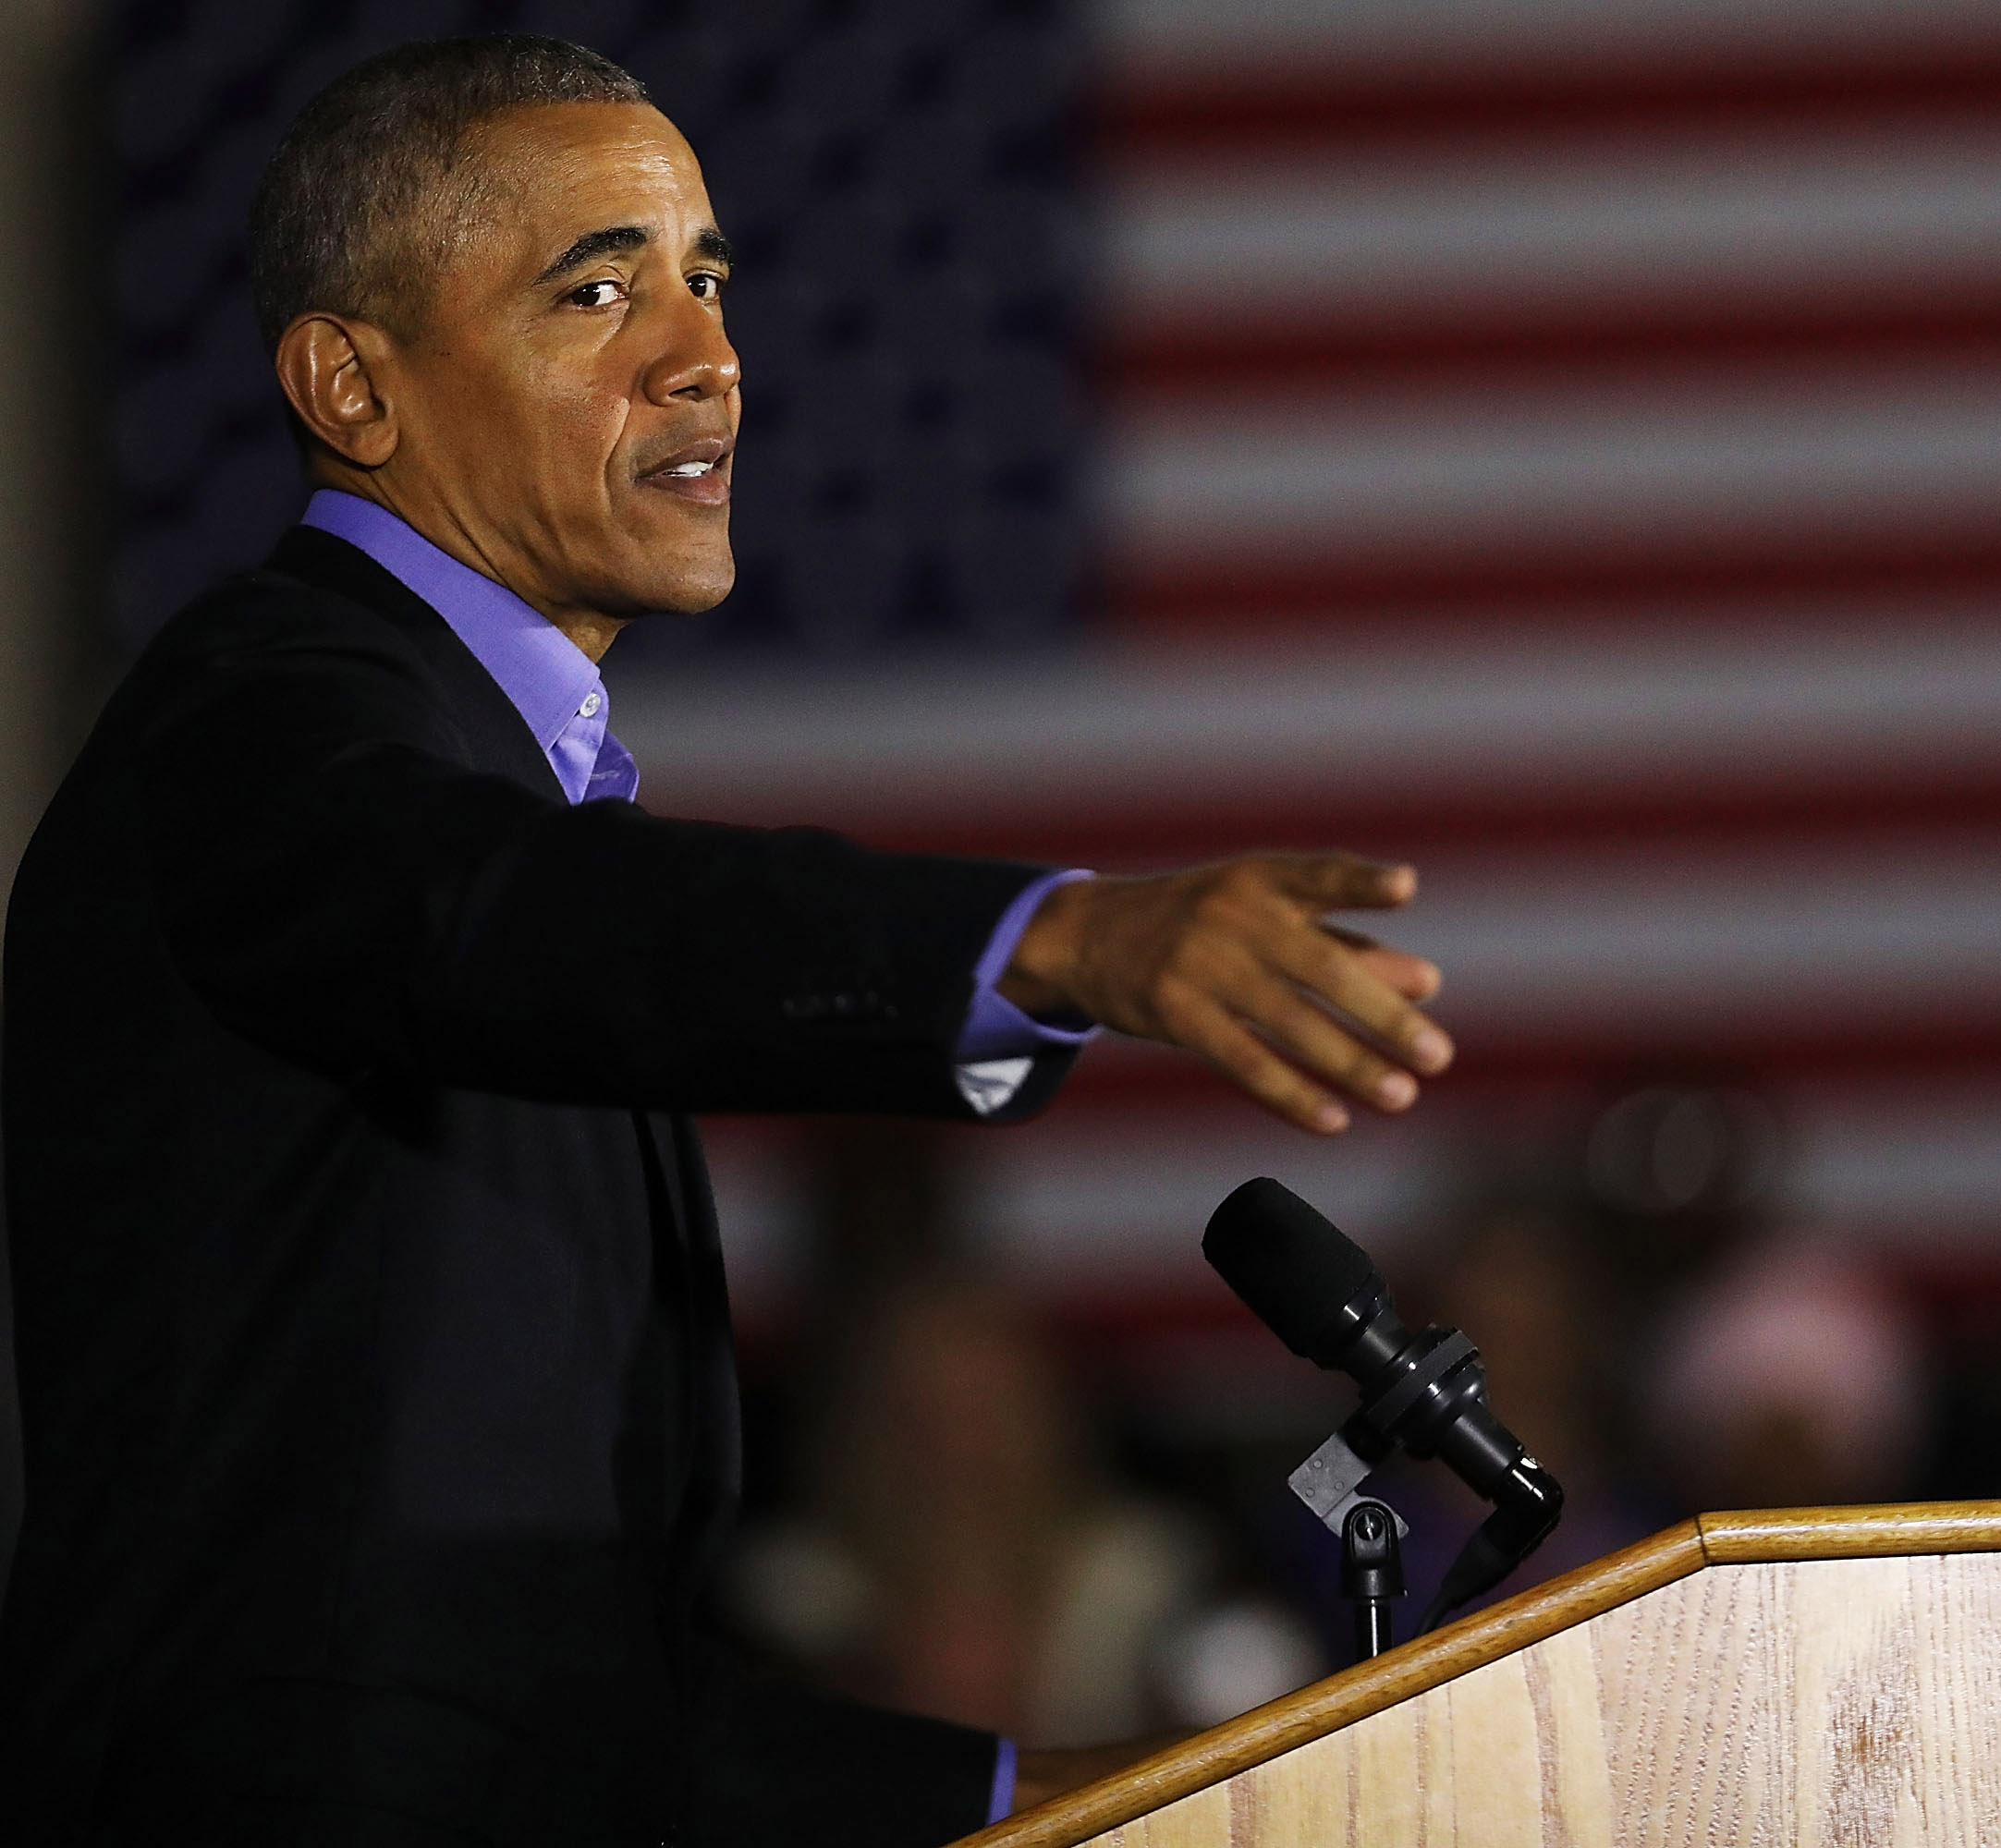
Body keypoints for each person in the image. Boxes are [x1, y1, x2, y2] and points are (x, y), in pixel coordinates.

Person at [0, 35, 1453, 1847]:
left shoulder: (488, 780)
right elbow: (512, 920)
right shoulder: (265, 725)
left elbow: (569, 1713)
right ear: (351, 390)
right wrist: (1053, 940)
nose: (706, 357)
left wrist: (1124, 1799)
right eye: (595, 289)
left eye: (705, 279)